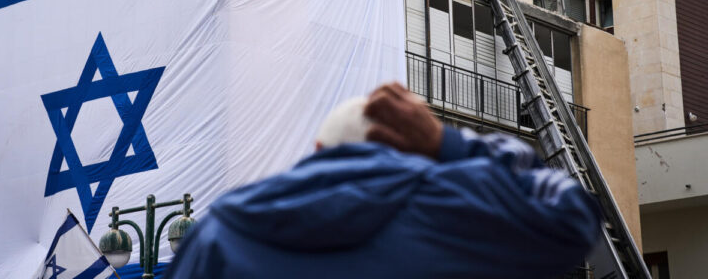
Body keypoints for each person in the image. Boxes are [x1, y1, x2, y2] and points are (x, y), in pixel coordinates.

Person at [165, 83, 601, 279]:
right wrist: (447, 143)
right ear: (410, 151)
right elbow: (573, 214)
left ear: (318, 149)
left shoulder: (220, 234)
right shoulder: (453, 205)